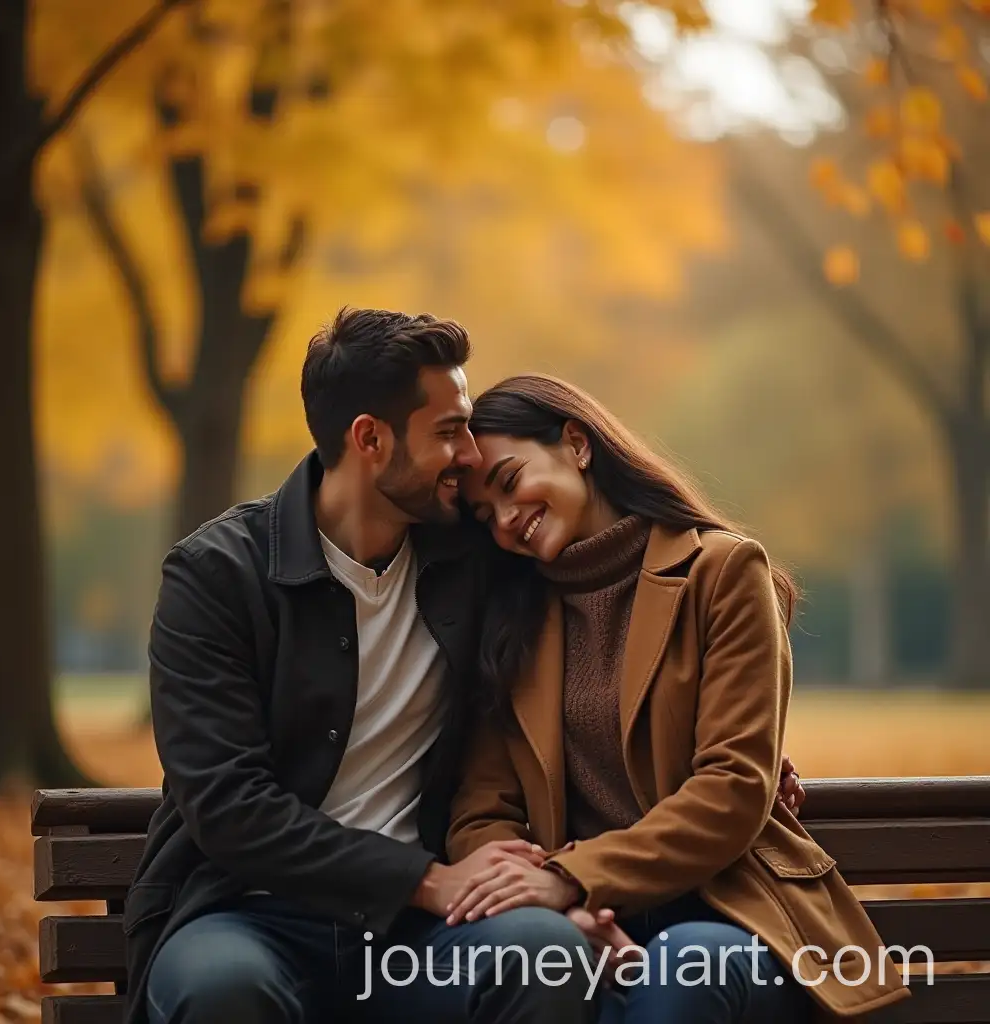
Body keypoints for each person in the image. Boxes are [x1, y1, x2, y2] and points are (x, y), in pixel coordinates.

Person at [125, 308, 807, 1024]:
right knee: (223, 989)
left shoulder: (475, 564)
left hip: (423, 936)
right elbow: (229, 805)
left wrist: (749, 756)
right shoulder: (217, 576)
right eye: (449, 432)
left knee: (542, 954)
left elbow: (618, 616)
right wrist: (429, 880)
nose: (468, 458)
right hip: (246, 911)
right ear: (370, 438)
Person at [445, 374, 911, 1023]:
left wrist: (574, 876)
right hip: (580, 926)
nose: (504, 520)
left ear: (576, 444)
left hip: (740, 922)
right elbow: (479, 814)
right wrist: (558, 912)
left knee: (681, 968)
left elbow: (732, 787)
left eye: (508, 482)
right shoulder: (512, 623)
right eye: (483, 517)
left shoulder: (722, 574)